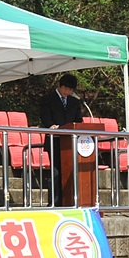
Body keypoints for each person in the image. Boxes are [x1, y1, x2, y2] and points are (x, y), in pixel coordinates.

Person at [38, 73, 84, 206]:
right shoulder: (48, 99)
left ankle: (69, 200)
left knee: (70, 171)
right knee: (56, 171)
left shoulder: (75, 102)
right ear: (59, 85)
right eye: (65, 89)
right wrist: (50, 125)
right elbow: (45, 117)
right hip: (54, 140)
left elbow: (78, 121)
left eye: (70, 90)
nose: (67, 92)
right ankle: (55, 201)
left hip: (70, 142)